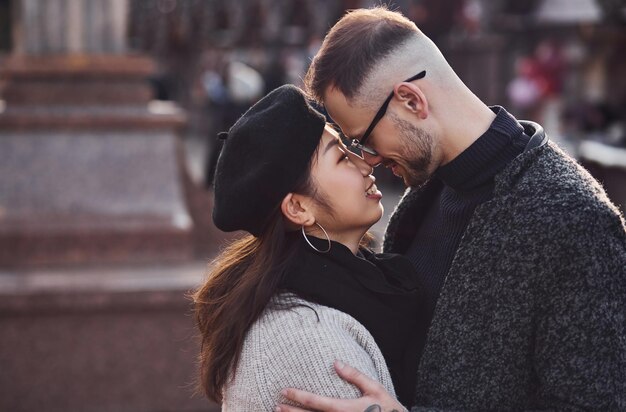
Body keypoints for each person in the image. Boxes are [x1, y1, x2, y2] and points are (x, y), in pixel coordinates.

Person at [277, 7, 626, 412]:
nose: (368, 160)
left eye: (365, 139)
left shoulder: (576, 219)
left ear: (411, 100)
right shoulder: (422, 199)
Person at [193, 84, 427, 410]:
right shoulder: (312, 343)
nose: (366, 165)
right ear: (299, 209)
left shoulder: (353, 287)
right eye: (342, 157)